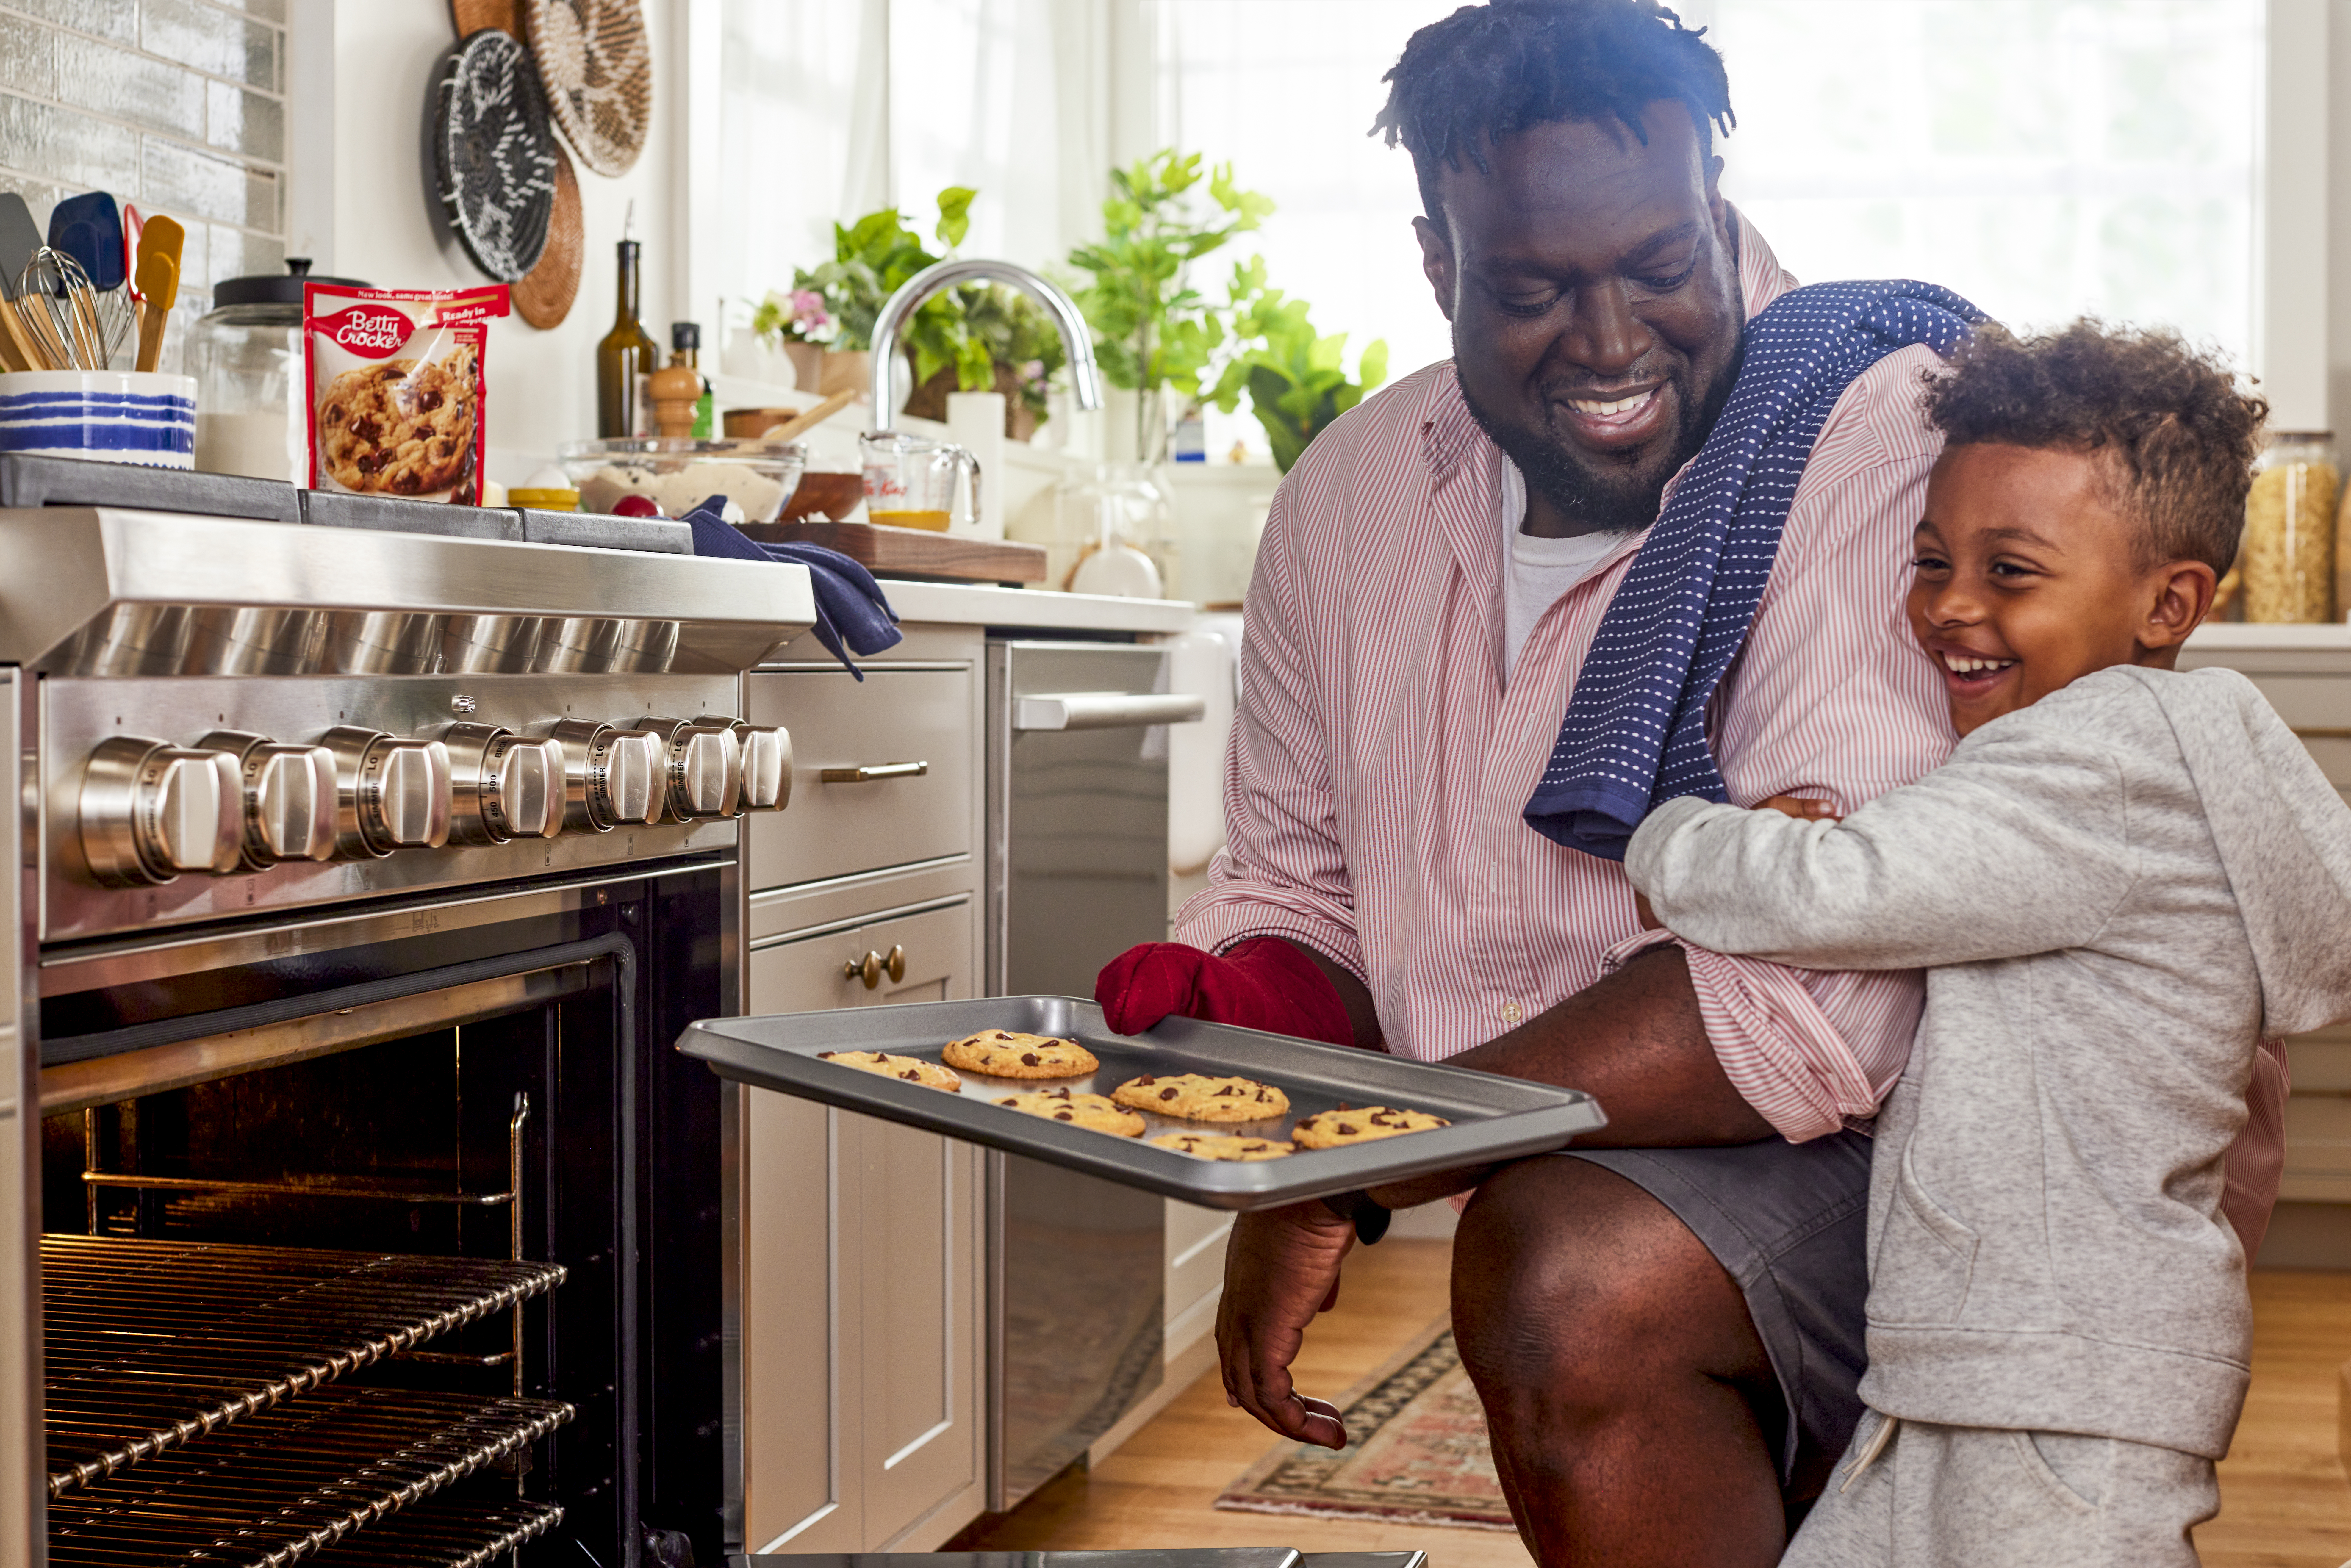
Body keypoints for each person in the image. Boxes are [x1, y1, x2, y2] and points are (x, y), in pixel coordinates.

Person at [1090, 3, 2286, 1563]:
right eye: (1533, 289)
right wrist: (1287, 1141)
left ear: (1716, 202)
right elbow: (1297, 881)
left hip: (1947, 1150)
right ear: (1439, 263)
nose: (1609, 342)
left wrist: (1377, 1142)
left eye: (1660, 266)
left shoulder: (1890, 443)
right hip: (1601, 1142)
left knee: (1569, 1272)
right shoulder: (1355, 497)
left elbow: (1823, 995)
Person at [1623, 320, 2349, 1565]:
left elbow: (1836, 891)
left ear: (2168, 603)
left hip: (2058, 1379)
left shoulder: (2106, 751)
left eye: (2010, 571)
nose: (1952, 605)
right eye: (1929, 558)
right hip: (1992, 1361)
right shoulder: (2145, 763)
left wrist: (1669, 844)